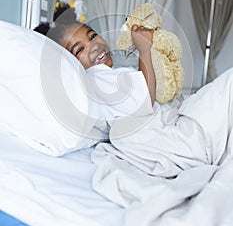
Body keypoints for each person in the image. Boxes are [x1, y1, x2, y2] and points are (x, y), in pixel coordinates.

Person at [45, 14, 233, 178]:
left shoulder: (106, 76)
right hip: (176, 136)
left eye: (92, 36)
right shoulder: (95, 77)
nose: (93, 46)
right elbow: (142, 99)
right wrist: (144, 50)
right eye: (79, 50)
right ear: (70, 64)